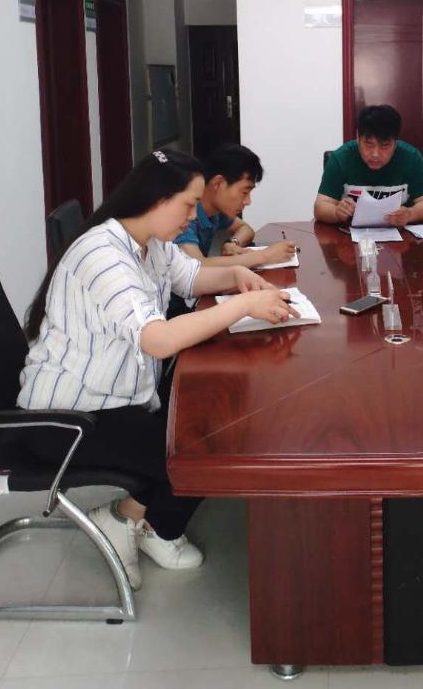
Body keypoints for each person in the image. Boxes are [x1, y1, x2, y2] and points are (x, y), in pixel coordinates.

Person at [19, 149, 297, 591]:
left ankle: (133, 518)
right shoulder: (103, 255)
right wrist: (244, 305)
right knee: (204, 450)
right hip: (68, 418)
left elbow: (191, 278)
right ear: (156, 198)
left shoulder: (149, 245)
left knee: (219, 412)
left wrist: (238, 277)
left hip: (121, 396)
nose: (191, 216)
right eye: (187, 205)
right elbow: (158, 339)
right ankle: (148, 526)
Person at [174, 142, 297, 269]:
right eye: (244, 192)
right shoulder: (185, 215)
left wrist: (232, 243)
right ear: (218, 184)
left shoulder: (216, 212)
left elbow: (245, 229)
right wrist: (264, 256)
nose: (248, 201)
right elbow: (197, 267)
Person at [314, 104, 423, 226]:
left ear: (395, 142)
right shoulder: (340, 159)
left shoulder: (411, 158)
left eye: (385, 145)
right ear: (358, 137)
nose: (375, 154)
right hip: (349, 235)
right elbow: (320, 206)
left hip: (399, 235)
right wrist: (336, 212)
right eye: (369, 144)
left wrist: (410, 214)